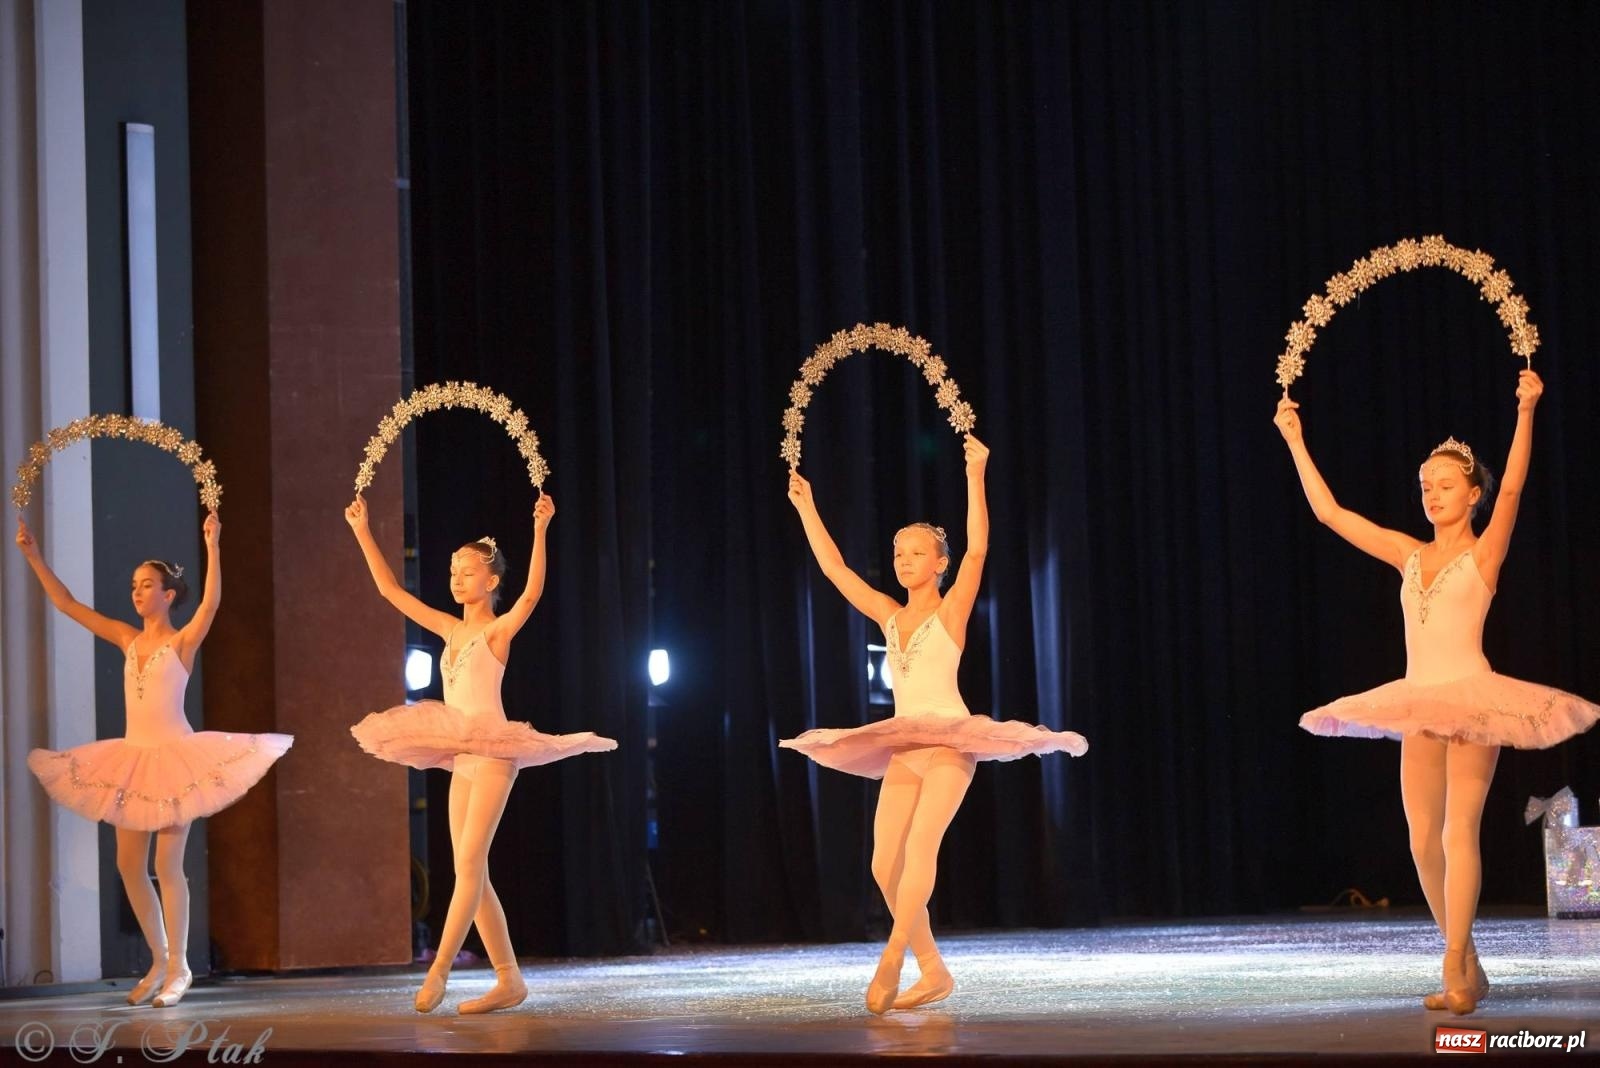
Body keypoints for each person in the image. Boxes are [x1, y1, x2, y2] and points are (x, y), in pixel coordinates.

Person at [1275, 369, 1599, 1014]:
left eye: (1446, 485)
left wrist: (1526, 410)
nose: (1433, 494)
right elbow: (1329, 513)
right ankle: (1467, 958)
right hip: (1419, 699)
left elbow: (1514, 486)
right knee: (1422, 839)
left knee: (1457, 831)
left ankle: (1454, 963)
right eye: (1425, 485)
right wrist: (1294, 438)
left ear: (1472, 494)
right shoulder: (1408, 554)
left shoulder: (1483, 554)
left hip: (1473, 699)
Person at [781, 435, 1087, 1013]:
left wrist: (975, 474)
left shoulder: (950, 611)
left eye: (917, 553)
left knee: (921, 846)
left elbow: (978, 551)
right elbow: (836, 569)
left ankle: (894, 956)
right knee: (882, 865)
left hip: (950, 740)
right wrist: (806, 507)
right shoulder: (890, 616)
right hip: (905, 743)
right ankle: (934, 970)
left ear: (939, 564)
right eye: (899, 553)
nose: (904, 561)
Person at [345, 493, 614, 1014]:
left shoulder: (496, 631)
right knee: (472, 870)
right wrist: (361, 530)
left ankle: (439, 971)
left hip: (493, 752)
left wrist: (540, 529)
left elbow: (532, 594)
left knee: (469, 864)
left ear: (490, 581)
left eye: (467, 573)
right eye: (453, 572)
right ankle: (509, 979)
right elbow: (390, 590)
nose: (457, 579)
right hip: (462, 756)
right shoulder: (450, 629)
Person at [18, 512, 293, 1007]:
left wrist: (213, 544)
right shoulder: (128, 639)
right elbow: (68, 604)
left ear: (168, 595)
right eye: (134, 585)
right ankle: (160, 959)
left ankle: (181, 967)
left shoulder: (181, 642)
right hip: (132, 760)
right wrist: (34, 556)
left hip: (175, 760)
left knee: (167, 863)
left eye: (147, 585)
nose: (137, 592)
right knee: (128, 864)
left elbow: (211, 604)